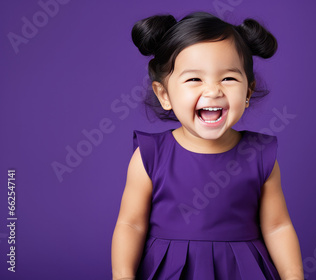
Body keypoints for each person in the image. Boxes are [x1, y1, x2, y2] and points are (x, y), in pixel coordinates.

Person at [111, 11, 303, 280]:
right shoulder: (150, 156)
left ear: (247, 92)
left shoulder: (259, 156)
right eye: (194, 79)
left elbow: (277, 227)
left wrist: (293, 276)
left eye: (228, 78)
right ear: (164, 94)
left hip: (243, 270)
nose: (213, 91)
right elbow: (130, 224)